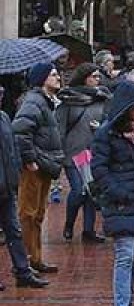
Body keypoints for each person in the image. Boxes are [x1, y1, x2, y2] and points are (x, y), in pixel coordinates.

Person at [91, 82, 134, 306]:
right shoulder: (106, 133)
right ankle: (121, 302)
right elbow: (99, 169)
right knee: (125, 255)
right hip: (121, 203)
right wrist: (119, 192)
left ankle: (127, 299)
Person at [11, 62, 65, 275]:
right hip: (34, 166)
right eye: (53, 74)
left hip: (43, 165)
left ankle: (36, 258)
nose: (58, 77)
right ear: (42, 79)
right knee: (28, 214)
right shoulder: (34, 101)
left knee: (38, 213)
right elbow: (20, 131)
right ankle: (26, 262)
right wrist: (30, 159)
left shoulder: (45, 102)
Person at [56, 63, 111, 243]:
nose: (98, 79)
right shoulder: (68, 100)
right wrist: (59, 154)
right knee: (79, 191)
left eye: (98, 76)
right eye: (94, 76)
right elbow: (59, 129)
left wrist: (101, 128)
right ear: (84, 78)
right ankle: (69, 224)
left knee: (91, 192)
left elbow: (109, 123)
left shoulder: (103, 99)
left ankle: (88, 231)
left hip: (94, 153)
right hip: (73, 153)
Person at [0, 86, 48, 290]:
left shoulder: (4, 117)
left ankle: (23, 271)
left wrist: (16, 170)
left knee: (14, 230)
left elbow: (12, 147)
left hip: (7, 186)